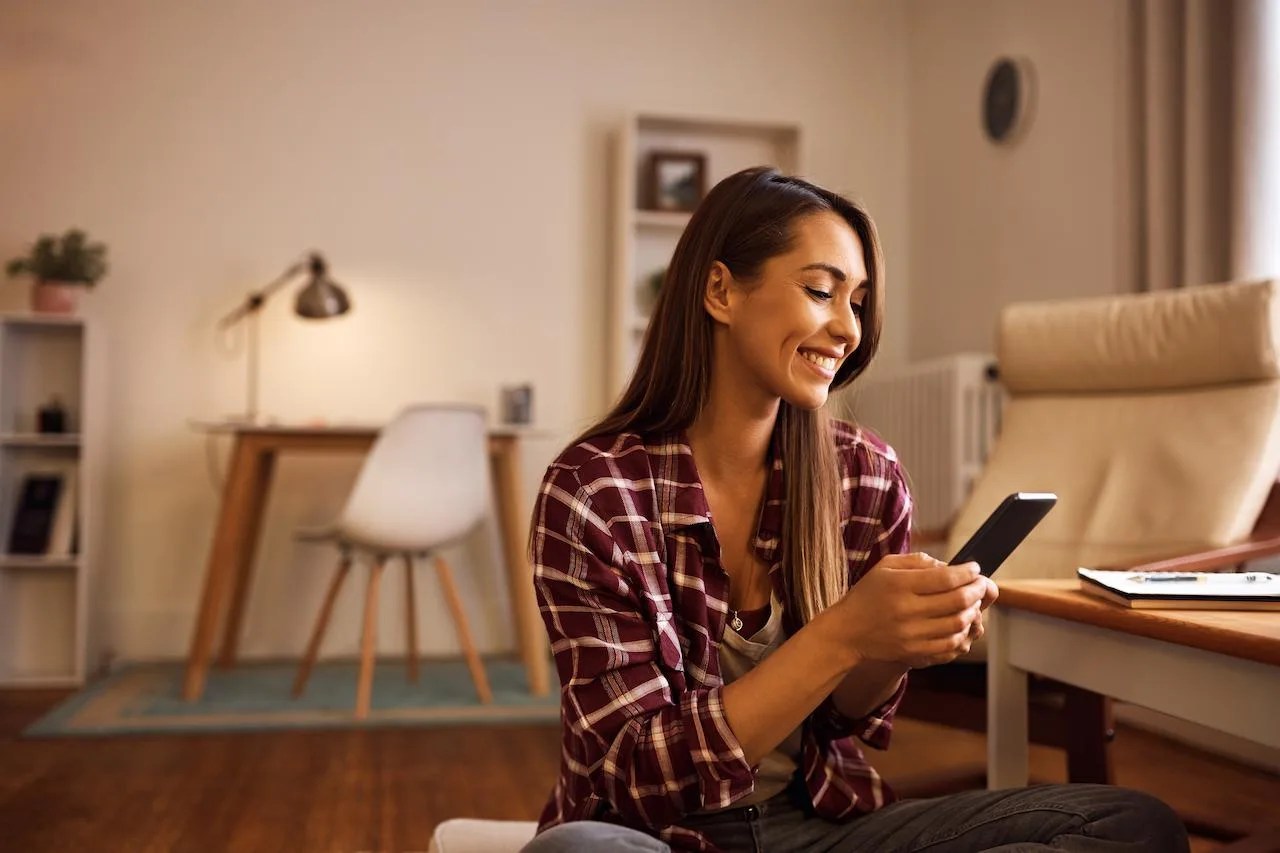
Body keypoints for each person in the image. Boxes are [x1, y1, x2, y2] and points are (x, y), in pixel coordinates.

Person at [521, 167, 1188, 852]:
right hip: (656, 835)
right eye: (820, 291)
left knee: (1129, 825)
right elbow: (637, 774)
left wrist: (897, 641)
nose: (848, 329)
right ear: (720, 290)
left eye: (860, 302)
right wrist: (843, 632)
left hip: (818, 830)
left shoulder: (865, 474)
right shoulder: (596, 490)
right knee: (576, 851)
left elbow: (846, 719)